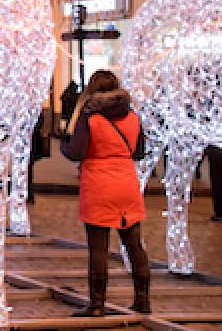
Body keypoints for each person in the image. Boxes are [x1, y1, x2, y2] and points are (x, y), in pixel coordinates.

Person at [61, 70, 151, 316]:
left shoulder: (90, 118)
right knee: (134, 245)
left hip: (99, 186)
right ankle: (143, 300)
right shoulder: (133, 117)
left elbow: (76, 152)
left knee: (99, 248)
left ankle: (97, 304)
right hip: (127, 184)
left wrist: (63, 143)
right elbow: (140, 151)